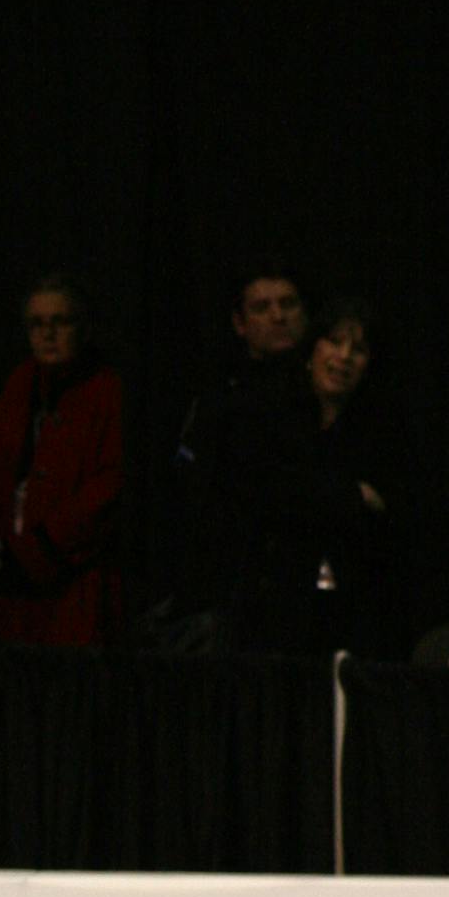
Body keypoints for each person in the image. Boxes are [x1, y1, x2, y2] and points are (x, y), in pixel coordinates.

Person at [209, 297, 393, 655]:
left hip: (350, 611)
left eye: (357, 349)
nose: (343, 357)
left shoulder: (379, 432)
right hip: (270, 606)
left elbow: (390, 509)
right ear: (311, 351)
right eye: (334, 342)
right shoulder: (272, 416)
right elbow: (270, 494)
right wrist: (353, 496)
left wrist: (316, 495)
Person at [0, 275, 124, 649]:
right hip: (8, 583)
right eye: (37, 325)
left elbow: (107, 488)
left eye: (59, 323)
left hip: (72, 584)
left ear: (82, 328)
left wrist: (40, 549)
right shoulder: (20, 385)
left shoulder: (106, 391)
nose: (48, 335)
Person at [163, 259, 309, 646]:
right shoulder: (221, 400)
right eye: (262, 308)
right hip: (235, 591)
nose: (278, 316)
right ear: (239, 323)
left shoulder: (323, 388)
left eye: (288, 304)